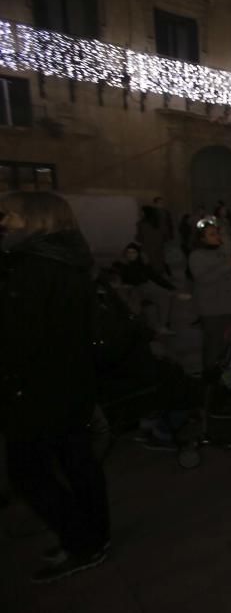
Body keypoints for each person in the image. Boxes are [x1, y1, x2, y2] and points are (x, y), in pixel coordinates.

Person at [0, 192, 111, 583]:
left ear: (35, 221)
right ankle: (93, 536)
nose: (4, 222)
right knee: (78, 462)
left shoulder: (32, 267)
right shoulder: (71, 262)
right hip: (71, 382)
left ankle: (81, 540)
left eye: (10, 216)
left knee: (29, 471)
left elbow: (20, 337)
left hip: (38, 387)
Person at [188, 217, 231, 375]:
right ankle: (210, 380)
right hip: (212, 310)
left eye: (216, 233)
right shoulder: (196, 256)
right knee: (213, 346)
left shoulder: (221, 252)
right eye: (212, 234)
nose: (217, 236)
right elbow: (203, 279)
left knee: (230, 346)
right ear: (202, 239)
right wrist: (228, 266)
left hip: (230, 306)